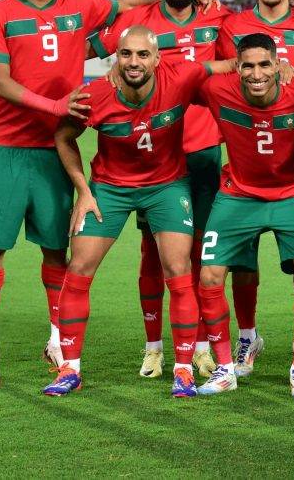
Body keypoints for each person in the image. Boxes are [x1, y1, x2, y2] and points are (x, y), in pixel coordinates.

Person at [0, 0, 154, 389]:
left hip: (54, 153)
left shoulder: (82, 6)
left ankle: (57, 339)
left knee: (57, 250)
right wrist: (55, 107)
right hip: (5, 150)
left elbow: (128, 5)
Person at [43, 27, 230, 397]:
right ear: (116, 57)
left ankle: (182, 370)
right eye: (126, 54)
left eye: (143, 55)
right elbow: (63, 137)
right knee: (79, 269)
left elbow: (227, 66)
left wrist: (279, 67)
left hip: (166, 186)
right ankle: (70, 369)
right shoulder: (96, 94)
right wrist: (83, 191)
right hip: (110, 188)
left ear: (157, 58)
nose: (134, 62)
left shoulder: (180, 77)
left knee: (178, 270)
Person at [87, 0, 233, 380]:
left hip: (202, 148)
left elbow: (238, 62)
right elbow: (88, 46)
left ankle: (201, 347)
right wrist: (113, 61)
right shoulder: (138, 19)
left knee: (202, 253)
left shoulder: (218, 17)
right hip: (151, 153)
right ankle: (153, 348)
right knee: (153, 253)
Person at [194, 34, 294, 398]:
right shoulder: (217, 89)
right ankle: (225, 368)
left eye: (264, 65)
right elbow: (172, 78)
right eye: (248, 66)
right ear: (237, 67)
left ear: (278, 64)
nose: (256, 74)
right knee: (209, 276)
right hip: (239, 194)